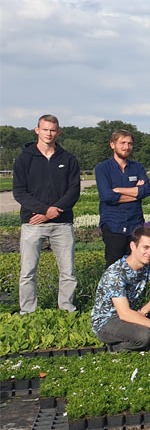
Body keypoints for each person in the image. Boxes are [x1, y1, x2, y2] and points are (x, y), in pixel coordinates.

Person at [13, 114, 80, 315]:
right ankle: (27, 311)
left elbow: (73, 191)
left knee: (68, 272)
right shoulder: (24, 158)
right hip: (33, 223)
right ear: (37, 130)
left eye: (53, 130)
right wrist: (44, 211)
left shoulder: (68, 159)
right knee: (27, 272)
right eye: (45, 129)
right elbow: (19, 192)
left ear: (58, 132)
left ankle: (67, 310)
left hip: (62, 224)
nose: (49, 133)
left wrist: (52, 213)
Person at [90, 227, 150, 352]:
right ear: (133, 246)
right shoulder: (116, 273)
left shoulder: (148, 265)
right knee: (143, 335)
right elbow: (124, 313)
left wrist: (143, 311)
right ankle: (117, 347)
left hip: (131, 314)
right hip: (108, 321)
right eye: (145, 248)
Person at [96, 130, 150, 267]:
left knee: (136, 266)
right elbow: (107, 196)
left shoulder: (137, 167)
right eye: (122, 143)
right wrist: (136, 193)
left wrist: (119, 190)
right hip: (113, 224)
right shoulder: (102, 168)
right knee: (114, 267)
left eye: (130, 143)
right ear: (112, 145)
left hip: (135, 223)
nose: (126, 147)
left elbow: (146, 190)